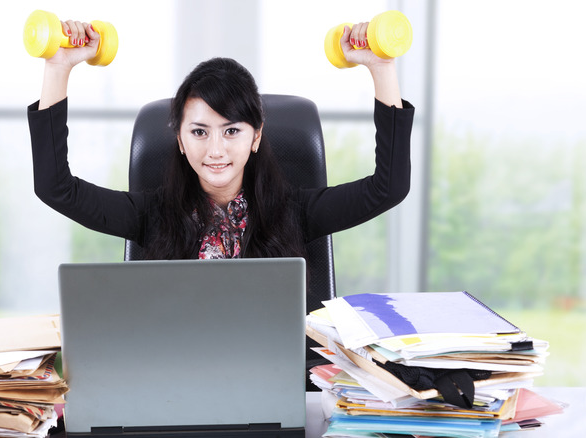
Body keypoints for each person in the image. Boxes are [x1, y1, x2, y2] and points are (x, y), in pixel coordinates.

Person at [27, 20, 414, 387]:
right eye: (199, 132)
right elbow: (56, 187)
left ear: (256, 137)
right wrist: (58, 68)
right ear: (179, 140)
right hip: (169, 385)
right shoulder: (149, 214)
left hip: (274, 385)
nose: (216, 150)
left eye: (232, 131)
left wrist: (382, 68)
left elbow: (388, 188)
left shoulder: (295, 210)